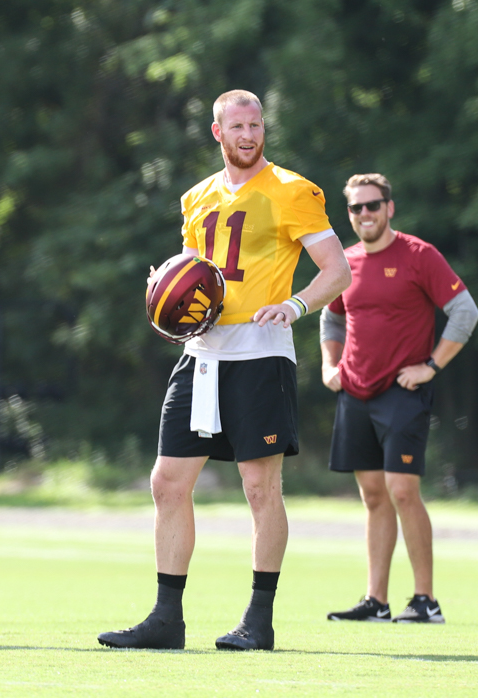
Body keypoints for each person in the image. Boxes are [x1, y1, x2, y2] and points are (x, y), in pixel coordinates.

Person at [98, 90, 351, 651]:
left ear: (264, 128)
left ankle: (258, 621)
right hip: (202, 355)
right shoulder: (196, 197)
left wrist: (295, 305)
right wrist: (164, 293)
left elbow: (338, 271)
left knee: (260, 486)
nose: (248, 134)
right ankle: (167, 619)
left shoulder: (292, 190)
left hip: (260, 355)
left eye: (256, 124)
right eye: (237, 125)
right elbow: (193, 276)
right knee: (167, 482)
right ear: (217, 133)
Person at [322, 173, 478, 624]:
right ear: (349, 214)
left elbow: (465, 312)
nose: (366, 214)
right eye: (357, 208)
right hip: (354, 391)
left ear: (390, 207)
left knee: (402, 490)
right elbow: (332, 320)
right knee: (373, 495)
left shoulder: (418, 255)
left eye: (374, 205)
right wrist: (329, 367)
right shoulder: (345, 263)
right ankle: (376, 601)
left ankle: (425, 600)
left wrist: (431, 366)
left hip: (402, 391)